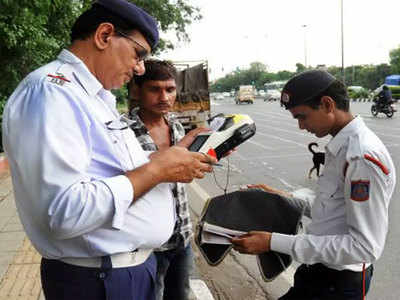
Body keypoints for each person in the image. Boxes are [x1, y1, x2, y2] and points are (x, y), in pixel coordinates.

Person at [2, 1, 216, 300]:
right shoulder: (52, 92)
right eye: (139, 54)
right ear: (104, 35)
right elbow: (62, 211)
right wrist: (156, 170)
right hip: (99, 279)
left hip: (127, 270)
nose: (140, 67)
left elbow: (110, 172)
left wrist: (171, 158)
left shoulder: (93, 97)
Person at [231, 70, 396, 300]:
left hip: (338, 284)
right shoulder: (342, 145)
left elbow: (364, 247)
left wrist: (272, 242)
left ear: (327, 104)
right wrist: (282, 197)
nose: (300, 126)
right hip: (319, 273)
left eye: (302, 117)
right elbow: (332, 208)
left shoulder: (361, 157)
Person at [127, 59, 207, 300]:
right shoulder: (123, 131)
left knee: (180, 294)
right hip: (146, 244)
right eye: (155, 89)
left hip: (181, 237)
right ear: (136, 90)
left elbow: (181, 177)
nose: (164, 97)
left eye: (170, 89)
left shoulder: (177, 128)